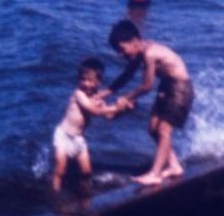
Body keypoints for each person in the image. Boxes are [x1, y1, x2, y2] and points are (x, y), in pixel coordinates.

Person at [107, 19, 194, 186]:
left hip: (180, 89)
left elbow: (147, 86)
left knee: (163, 130)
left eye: (121, 49)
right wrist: (105, 93)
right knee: (152, 129)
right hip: (167, 88)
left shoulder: (150, 53)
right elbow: (127, 75)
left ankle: (155, 173)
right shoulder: (140, 51)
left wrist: (127, 98)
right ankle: (174, 166)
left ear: (134, 41)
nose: (120, 54)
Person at [51, 57, 131, 192]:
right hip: (63, 135)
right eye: (82, 80)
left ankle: (85, 192)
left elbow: (108, 116)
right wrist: (115, 107)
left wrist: (123, 110)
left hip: (78, 138)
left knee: (87, 172)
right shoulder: (78, 94)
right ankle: (55, 192)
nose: (85, 84)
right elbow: (92, 110)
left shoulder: (98, 98)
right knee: (60, 170)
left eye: (89, 81)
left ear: (98, 82)